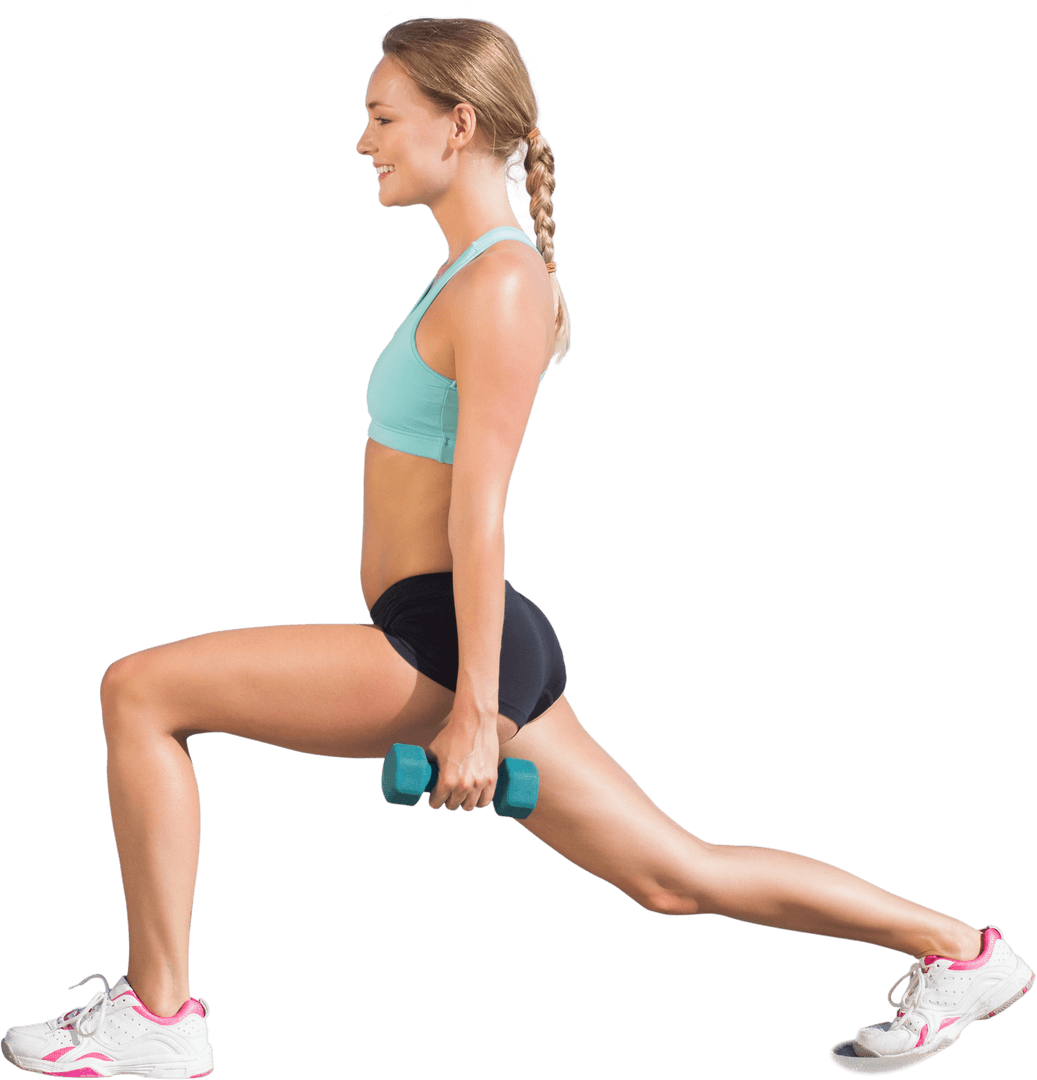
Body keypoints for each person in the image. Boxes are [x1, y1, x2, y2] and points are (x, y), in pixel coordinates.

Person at [2, 14, 1031, 1079]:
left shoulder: (499, 285)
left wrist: (472, 713)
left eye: (380, 117)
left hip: (445, 640)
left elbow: (479, 512)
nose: (363, 141)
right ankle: (963, 954)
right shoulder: (468, 274)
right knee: (673, 875)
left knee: (141, 691)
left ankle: (159, 1018)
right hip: (454, 634)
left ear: (458, 124)